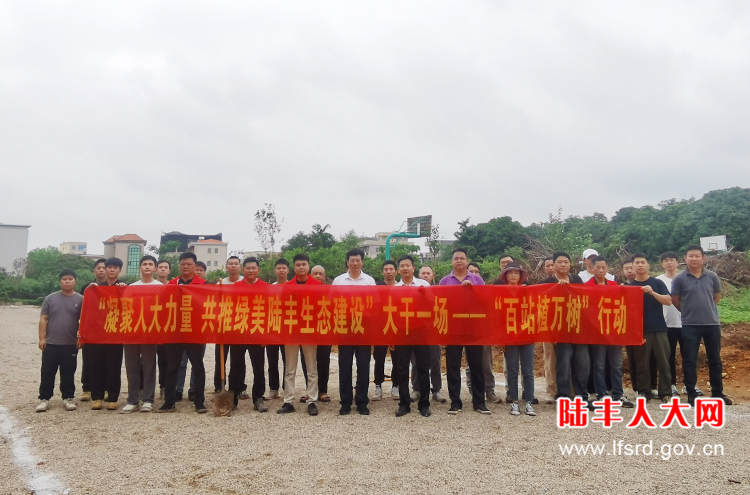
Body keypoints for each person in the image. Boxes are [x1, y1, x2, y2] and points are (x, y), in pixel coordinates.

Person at [671, 245, 732, 406]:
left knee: (715, 359)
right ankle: (691, 394)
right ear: (685, 258)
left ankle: (717, 393)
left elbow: (716, 298)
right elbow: (675, 300)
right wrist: (688, 312)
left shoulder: (712, 276)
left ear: (703, 258)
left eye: (697, 256)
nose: (694, 259)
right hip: (690, 325)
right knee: (690, 360)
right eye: (690, 256)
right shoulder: (679, 278)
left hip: (712, 324)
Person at [440, 248, 491, 415]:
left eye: (462, 258)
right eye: (456, 258)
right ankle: (455, 402)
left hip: (473, 328)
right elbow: (440, 303)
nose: (459, 261)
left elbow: (485, 301)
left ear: (467, 261)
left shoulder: (477, 279)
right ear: (452, 262)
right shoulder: (445, 281)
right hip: (453, 329)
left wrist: (472, 290)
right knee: (453, 366)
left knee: (477, 366)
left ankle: (479, 402)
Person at [156, 252, 208, 413]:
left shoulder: (204, 284)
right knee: (172, 367)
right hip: (175, 332)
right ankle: (169, 401)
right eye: (183, 264)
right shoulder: (171, 284)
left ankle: (199, 401)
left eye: (189, 264)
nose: (186, 267)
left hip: (195, 332)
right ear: (179, 266)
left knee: (198, 367)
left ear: (195, 266)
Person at [539, 252, 590, 406]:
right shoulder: (547, 281)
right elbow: (539, 301)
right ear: (553, 265)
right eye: (560, 262)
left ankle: (582, 395)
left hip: (578, 328)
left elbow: (585, 298)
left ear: (570, 264)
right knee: (563, 363)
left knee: (582, 363)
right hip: (559, 329)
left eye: (566, 262)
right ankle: (562, 396)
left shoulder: (576, 279)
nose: (563, 265)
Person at [332, 248, 377, 415]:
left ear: (362, 262)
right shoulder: (338, 281)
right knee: (344, 366)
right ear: (347, 262)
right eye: (352, 260)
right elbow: (331, 302)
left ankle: (362, 402)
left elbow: (375, 303)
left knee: (363, 366)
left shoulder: (369, 281)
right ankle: (345, 402)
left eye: (358, 260)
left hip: (363, 329)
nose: (355, 263)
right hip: (344, 328)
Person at [586, 256, 633, 408]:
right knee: (599, 365)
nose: (601, 270)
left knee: (616, 364)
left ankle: (618, 394)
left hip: (614, 331)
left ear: (607, 268)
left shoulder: (614, 285)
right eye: (598, 267)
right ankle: (601, 394)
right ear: (592, 268)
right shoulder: (586, 286)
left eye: (603, 267)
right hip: (597, 331)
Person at [278, 253, 320, 416]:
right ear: (294, 268)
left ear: (308, 266)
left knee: (311, 368)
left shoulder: (317, 285)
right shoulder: (288, 286)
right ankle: (288, 401)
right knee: (290, 368)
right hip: (292, 331)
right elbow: (282, 307)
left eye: (304, 264)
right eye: (298, 265)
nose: (301, 267)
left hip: (310, 330)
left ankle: (312, 400)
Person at [36, 270, 83, 413]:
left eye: (70, 279)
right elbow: (43, 318)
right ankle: (44, 398)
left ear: (75, 281)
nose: (67, 281)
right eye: (64, 279)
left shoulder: (81, 299)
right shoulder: (50, 298)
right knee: (47, 371)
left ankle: (68, 398)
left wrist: (81, 338)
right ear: (60, 281)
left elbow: (84, 321)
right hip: (51, 343)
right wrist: (42, 338)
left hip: (70, 343)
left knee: (68, 372)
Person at [630, 253, 673, 403]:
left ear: (648, 265)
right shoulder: (630, 287)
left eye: (643, 262)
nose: (640, 265)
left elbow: (668, 301)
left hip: (659, 328)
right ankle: (643, 392)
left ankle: (666, 392)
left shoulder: (657, 283)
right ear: (633, 266)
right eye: (637, 263)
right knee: (642, 363)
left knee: (664, 362)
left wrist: (652, 292)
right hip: (640, 330)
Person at [657, 251, 701, 397]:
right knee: (669, 356)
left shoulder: (686, 278)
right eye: (666, 260)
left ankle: (690, 385)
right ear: (662, 264)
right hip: (665, 324)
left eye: (672, 260)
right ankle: (672, 385)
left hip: (686, 323)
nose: (669, 262)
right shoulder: (658, 281)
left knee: (689, 356)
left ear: (678, 262)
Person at [121, 256, 162, 413]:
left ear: (155, 268)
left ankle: (148, 400)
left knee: (149, 366)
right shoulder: (131, 287)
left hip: (150, 332)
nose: (147, 266)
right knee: (131, 365)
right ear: (140, 267)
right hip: (131, 331)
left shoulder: (160, 287)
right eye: (144, 264)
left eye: (150, 264)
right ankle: (132, 400)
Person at [393, 255, 433, 417]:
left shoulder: (424, 285)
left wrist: (425, 295)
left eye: (408, 265)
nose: (405, 268)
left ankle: (424, 404)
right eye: (402, 266)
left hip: (420, 331)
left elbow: (432, 305)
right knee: (401, 369)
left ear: (413, 268)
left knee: (422, 368)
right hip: (402, 332)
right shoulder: (395, 288)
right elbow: (391, 311)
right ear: (398, 270)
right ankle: (404, 403)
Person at [87, 257, 126, 411]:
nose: (111, 270)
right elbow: (88, 310)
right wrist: (91, 290)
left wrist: (124, 290)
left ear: (119, 270)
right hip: (98, 333)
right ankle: (97, 397)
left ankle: (113, 398)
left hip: (116, 334)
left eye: (115, 267)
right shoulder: (96, 288)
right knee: (96, 365)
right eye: (109, 267)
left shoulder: (124, 288)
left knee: (114, 366)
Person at [229, 257, 268, 412]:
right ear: (242, 270)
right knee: (235, 367)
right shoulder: (236, 287)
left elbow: (269, 311)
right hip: (238, 332)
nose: (250, 270)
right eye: (248, 268)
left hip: (257, 332)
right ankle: (232, 399)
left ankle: (258, 398)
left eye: (253, 268)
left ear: (258, 270)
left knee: (258, 368)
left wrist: (266, 334)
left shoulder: (265, 287)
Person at [497, 263, 536, 416]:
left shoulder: (528, 290)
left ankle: (529, 402)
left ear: (521, 276)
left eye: (516, 273)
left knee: (528, 370)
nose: (513, 275)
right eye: (510, 272)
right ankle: (514, 401)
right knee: (512, 370)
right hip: (509, 335)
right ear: (505, 275)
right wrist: (500, 337)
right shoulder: (500, 292)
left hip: (527, 334)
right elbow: (498, 315)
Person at [411, 266, 445, 403]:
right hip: (417, 331)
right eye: (423, 273)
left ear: (432, 276)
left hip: (433, 331)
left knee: (435, 361)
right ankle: (416, 389)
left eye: (428, 273)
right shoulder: (413, 290)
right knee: (415, 362)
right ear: (419, 275)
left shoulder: (438, 291)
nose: (425, 275)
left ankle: (436, 390)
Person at [302, 265, 332, 402]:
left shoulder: (330, 290)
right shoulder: (304, 289)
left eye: (321, 274)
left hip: (324, 331)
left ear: (324, 277)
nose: (318, 276)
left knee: (323, 360)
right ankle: (310, 390)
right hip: (307, 330)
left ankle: (323, 391)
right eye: (315, 273)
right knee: (307, 362)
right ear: (310, 275)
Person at [78, 258, 106, 402]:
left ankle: (105, 388)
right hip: (91, 327)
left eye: (104, 267)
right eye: (99, 267)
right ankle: (86, 388)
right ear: (94, 270)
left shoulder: (113, 286)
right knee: (88, 359)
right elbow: (82, 309)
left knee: (107, 360)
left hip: (108, 328)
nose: (101, 270)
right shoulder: (86, 287)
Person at [214, 256, 243, 395]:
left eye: (236, 263)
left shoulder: (245, 283)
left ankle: (237, 387)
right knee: (220, 358)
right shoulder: (220, 283)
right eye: (230, 264)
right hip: (223, 326)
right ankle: (219, 386)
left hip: (240, 325)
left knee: (238, 359)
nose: (233, 266)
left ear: (240, 267)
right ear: (226, 267)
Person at [264, 258, 290, 400]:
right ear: (275, 270)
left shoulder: (292, 287)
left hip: (287, 329)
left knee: (288, 361)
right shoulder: (269, 288)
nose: (281, 270)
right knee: (272, 360)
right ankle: (273, 389)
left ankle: (287, 388)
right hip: (272, 328)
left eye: (283, 268)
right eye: (278, 268)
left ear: (288, 270)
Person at [374, 260, 400, 400]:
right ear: (383, 272)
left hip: (397, 327)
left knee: (397, 358)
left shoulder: (401, 287)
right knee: (379, 357)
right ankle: (378, 385)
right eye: (386, 269)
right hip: (381, 327)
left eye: (391, 269)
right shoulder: (377, 287)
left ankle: (396, 385)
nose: (389, 272)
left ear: (396, 271)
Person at [540, 256, 556, 403]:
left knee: (567, 360)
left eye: (553, 265)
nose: (551, 268)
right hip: (548, 326)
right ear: (544, 268)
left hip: (568, 326)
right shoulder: (542, 284)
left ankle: (570, 391)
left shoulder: (572, 281)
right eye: (548, 266)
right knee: (550, 360)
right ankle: (551, 392)